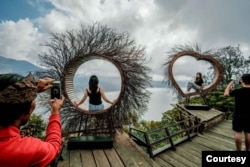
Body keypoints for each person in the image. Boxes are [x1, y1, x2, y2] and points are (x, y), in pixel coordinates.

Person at [0, 73, 65, 167]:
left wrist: (32, 89)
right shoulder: (26, 150)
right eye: (32, 102)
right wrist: (55, 113)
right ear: (25, 112)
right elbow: (54, 146)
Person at [224, 74, 250, 151]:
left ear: (242, 81)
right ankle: (247, 150)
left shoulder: (238, 91)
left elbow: (226, 94)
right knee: (248, 133)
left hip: (238, 115)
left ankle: (239, 151)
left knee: (238, 133)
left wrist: (229, 85)